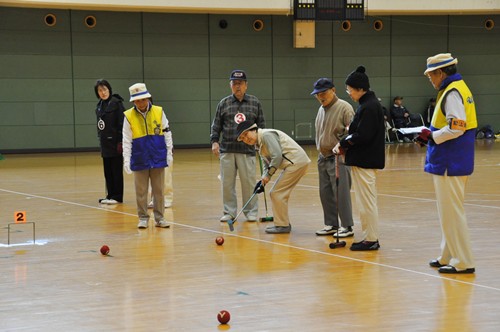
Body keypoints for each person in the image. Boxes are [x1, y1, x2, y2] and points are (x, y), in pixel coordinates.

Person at [417, 53, 477, 274]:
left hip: (450, 161)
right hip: (451, 160)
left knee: (452, 212)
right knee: (447, 212)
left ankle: (463, 260)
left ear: (440, 73)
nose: (430, 80)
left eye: (430, 75)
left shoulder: (452, 92)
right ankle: (448, 254)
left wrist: (432, 137)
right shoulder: (458, 88)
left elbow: (456, 127)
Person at [333, 66, 385, 251]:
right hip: (362, 160)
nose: (349, 93)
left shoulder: (369, 107)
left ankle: (371, 239)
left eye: (350, 89)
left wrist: (343, 143)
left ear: (360, 88)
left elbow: (363, 135)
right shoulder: (366, 105)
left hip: (366, 160)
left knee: (367, 202)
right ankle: (369, 237)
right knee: (364, 202)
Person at [210, 70, 266, 223]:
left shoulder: (255, 103)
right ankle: (229, 212)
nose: (237, 86)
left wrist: (261, 144)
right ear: (230, 86)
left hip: (247, 151)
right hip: (227, 150)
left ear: (246, 85)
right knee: (227, 184)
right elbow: (216, 125)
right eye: (234, 83)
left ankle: (251, 212)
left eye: (240, 83)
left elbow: (261, 126)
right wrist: (215, 141)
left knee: (248, 183)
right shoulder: (224, 103)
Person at [236, 121, 310, 234]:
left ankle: (283, 225)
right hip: (294, 164)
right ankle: (283, 224)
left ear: (254, 130)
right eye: (243, 138)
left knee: (277, 193)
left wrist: (268, 175)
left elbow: (277, 156)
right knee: (277, 193)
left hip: (296, 162)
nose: (246, 139)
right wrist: (263, 180)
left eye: (246, 135)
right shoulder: (259, 145)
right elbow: (266, 164)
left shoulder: (266, 135)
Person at [122, 83, 172, 229]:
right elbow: (126, 140)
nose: (140, 103)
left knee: (159, 191)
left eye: (143, 99)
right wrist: (126, 159)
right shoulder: (128, 116)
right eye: (137, 101)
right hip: (139, 158)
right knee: (141, 191)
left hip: (157, 156)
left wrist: (169, 152)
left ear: (148, 98)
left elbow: (167, 133)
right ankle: (143, 217)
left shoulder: (159, 111)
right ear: (133, 102)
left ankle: (160, 218)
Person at [310, 78, 355, 238]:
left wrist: (342, 147)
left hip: (339, 157)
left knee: (341, 193)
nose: (321, 97)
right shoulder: (321, 109)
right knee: (325, 192)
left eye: (324, 93)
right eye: (317, 94)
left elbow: (352, 133)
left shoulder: (344, 108)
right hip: (323, 157)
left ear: (333, 90)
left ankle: (347, 226)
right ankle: (331, 224)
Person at [94, 79, 125, 205]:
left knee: (116, 170)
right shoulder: (99, 105)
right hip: (105, 144)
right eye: (100, 90)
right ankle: (110, 195)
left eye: (105, 89)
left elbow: (122, 124)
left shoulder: (117, 104)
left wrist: (120, 141)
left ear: (109, 90)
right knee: (108, 171)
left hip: (115, 143)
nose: (103, 92)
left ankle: (117, 196)